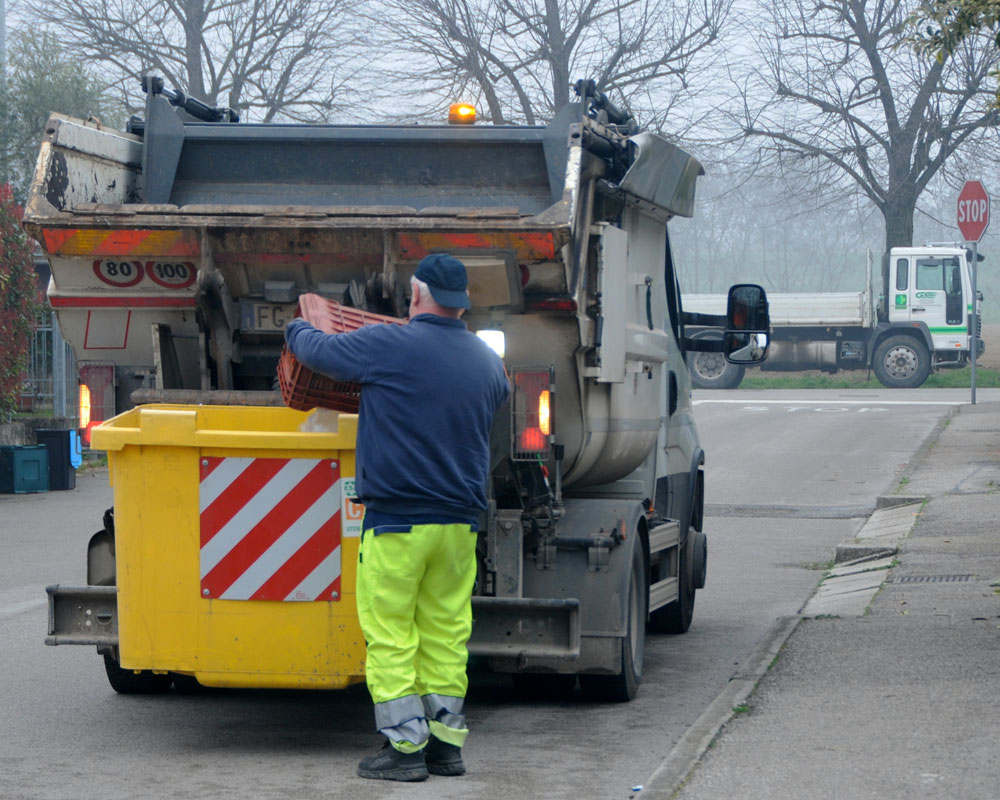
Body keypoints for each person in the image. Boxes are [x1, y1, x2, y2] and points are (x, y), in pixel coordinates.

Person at [284, 253, 509, 782]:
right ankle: (446, 746)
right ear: (462, 304)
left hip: (398, 523)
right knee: (446, 634)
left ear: (416, 294)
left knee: (390, 636)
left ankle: (405, 751)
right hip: (457, 528)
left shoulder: (392, 345)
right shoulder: (486, 362)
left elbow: (320, 352)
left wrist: (294, 326)